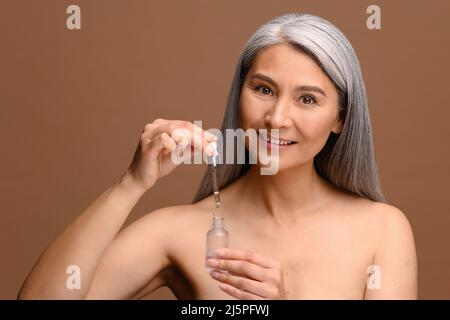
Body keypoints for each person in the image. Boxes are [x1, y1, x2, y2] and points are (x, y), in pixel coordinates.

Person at [17, 13, 417, 300]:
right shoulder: (177, 232)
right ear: (238, 92)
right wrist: (131, 184)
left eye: (307, 99)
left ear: (340, 120)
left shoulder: (381, 229)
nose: (277, 118)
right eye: (263, 89)